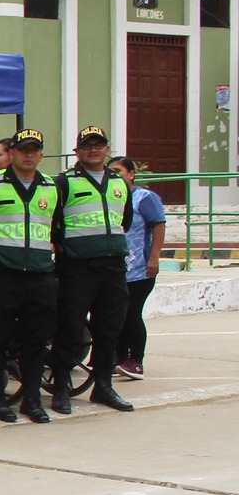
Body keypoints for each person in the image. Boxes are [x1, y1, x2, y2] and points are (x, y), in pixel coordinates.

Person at [0, 127, 59, 424]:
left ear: (41, 154)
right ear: (13, 153)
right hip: (3, 274)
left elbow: (56, 228)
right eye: (23, 149)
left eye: (34, 150)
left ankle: (32, 400)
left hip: (40, 274)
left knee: (35, 340)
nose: (29, 155)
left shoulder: (51, 187)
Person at [50, 127, 135, 414]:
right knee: (70, 328)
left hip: (112, 266)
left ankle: (103, 386)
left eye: (99, 145)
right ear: (77, 151)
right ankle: (61, 387)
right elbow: (52, 223)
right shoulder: (64, 183)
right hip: (77, 267)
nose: (94, 150)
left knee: (109, 329)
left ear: (107, 149)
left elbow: (126, 219)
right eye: (87, 145)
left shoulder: (119, 182)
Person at [110, 156, 166, 380]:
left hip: (140, 269)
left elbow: (158, 225)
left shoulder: (144, 197)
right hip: (116, 269)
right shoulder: (110, 197)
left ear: (131, 174)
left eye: (119, 171)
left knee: (132, 313)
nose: (115, 176)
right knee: (117, 315)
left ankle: (136, 361)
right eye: (111, 172)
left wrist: (154, 258)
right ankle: (119, 358)